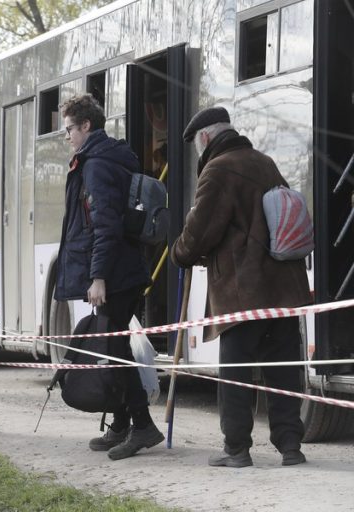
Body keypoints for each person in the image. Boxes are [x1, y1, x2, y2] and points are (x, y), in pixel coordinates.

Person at [171, 106, 310, 467]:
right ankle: (291, 446)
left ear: (205, 138)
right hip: (283, 289)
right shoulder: (264, 161)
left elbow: (200, 231)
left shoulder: (218, 169)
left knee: (235, 375)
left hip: (242, 292)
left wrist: (179, 253)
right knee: (282, 372)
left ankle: (237, 449)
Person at [55, 94, 163, 460]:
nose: (66, 135)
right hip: (125, 269)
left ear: (86, 125)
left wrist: (97, 276)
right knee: (112, 347)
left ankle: (143, 426)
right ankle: (121, 426)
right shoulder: (110, 157)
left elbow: (105, 225)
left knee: (115, 352)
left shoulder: (97, 166)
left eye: (68, 128)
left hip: (115, 273)